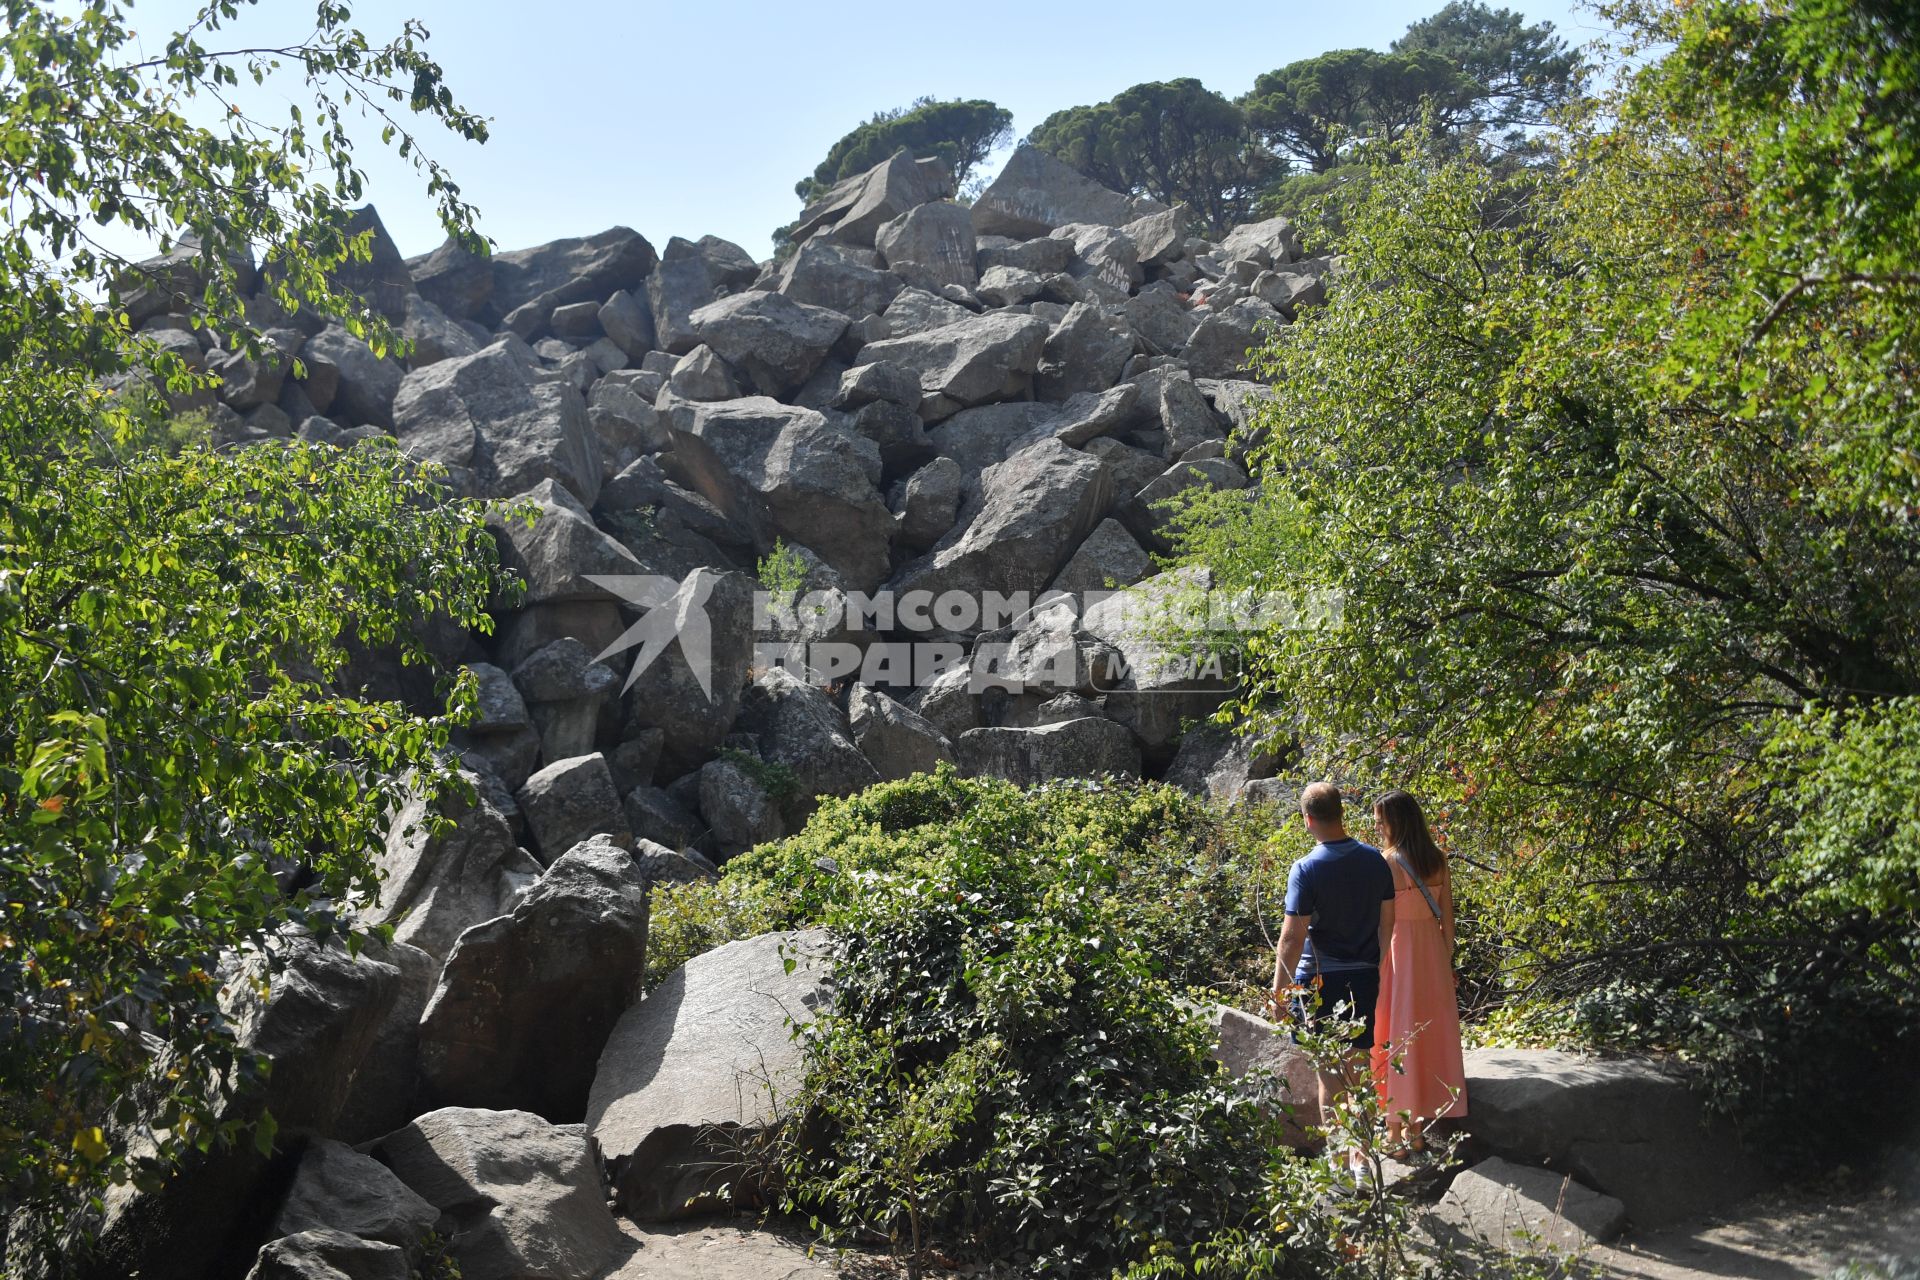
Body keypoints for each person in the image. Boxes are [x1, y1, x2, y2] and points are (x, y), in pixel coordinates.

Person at [1272, 782, 1395, 1132]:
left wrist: (1280, 995)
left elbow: (1292, 939)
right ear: (1341, 813)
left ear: (1307, 819)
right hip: (1364, 979)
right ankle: (1363, 1163)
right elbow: (1388, 927)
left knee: (1331, 1080)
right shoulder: (1375, 861)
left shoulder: (1306, 869)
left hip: (1318, 984)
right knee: (1358, 1074)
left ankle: (1342, 1172)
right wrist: (1380, 971)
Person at [1369, 789, 1469, 1151]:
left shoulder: (1387, 862)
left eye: (1380, 818)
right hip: (1433, 960)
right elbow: (1449, 922)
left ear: (1395, 821)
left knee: (1396, 1037)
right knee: (1426, 1039)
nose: (1377, 824)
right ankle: (1417, 1130)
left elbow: (1382, 924)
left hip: (1398, 960)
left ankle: (1396, 1132)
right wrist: (1445, 964)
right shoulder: (1438, 858)